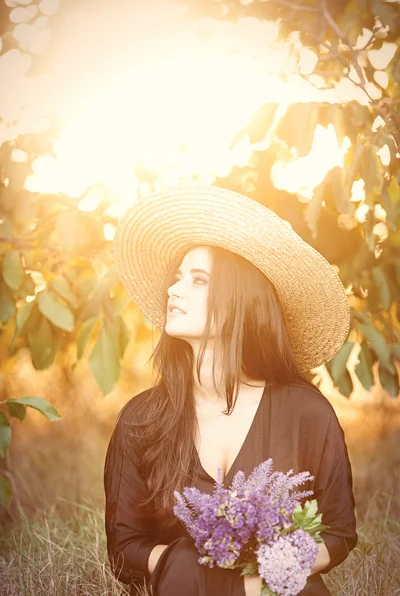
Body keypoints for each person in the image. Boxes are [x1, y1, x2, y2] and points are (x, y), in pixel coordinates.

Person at [104, 186, 358, 596]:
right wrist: (204, 564)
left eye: (198, 280)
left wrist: (263, 569)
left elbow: (339, 534)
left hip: (279, 590)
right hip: (183, 586)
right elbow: (124, 549)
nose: (173, 289)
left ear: (238, 301)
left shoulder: (307, 413)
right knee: (187, 557)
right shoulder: (141, 419)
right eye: (176, 278)